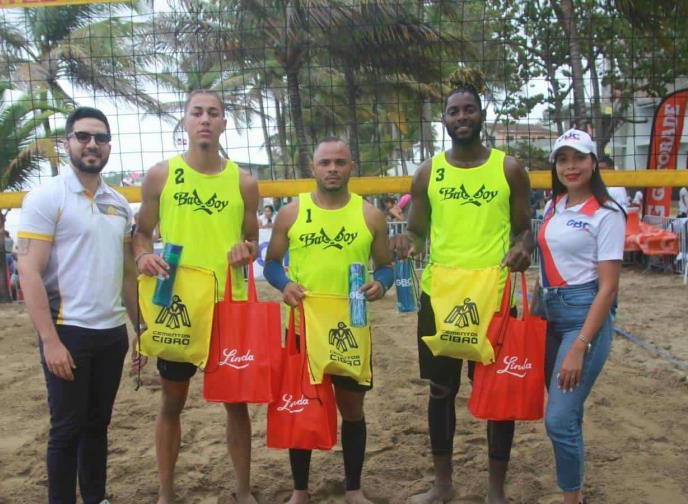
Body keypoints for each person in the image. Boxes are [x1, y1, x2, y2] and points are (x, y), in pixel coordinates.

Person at [391, 71, 533, 504]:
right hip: (441, 292)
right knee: (440, 390)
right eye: (453, 111)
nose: (462, 116)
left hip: (493, 292)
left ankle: (495, 491)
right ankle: (443, 485)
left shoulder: (508, 168)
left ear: (482, 114)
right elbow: (416, 233)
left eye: (468, 108)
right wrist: (405, 244)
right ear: (444, 120)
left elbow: (525, 232)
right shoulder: (427, 172)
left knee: (497, 392)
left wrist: (524, 249)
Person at [131, 90, 259, 504]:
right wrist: (143, 256)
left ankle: (243, 490)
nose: (205, 119)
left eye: (214, 113)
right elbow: (142, 232)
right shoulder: (161, 176)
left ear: (224, 124)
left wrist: (247, 250)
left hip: (227, 304)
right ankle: (166, 492)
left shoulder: (243, 181)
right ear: (184, 122)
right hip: (179, 305)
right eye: (197, 113)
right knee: (173, 401)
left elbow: (252, 239)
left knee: (236, 404)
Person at [17, 106, 138, 504]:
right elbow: (29, 272)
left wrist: (140, 330)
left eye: (100, 138)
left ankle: (96, 498)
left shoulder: (119, 203)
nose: (92, 145)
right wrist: (49, 341)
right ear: (67, 142)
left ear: (108, 147)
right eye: (83, 136)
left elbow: (125, 274)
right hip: (67, 331)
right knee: (66, 428)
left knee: (97, 425)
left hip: (111, 333)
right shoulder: (47, 197)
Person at [264, 137, 393, 504]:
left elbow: (384, 268)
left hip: (351, 328)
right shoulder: (291, 213)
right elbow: (271, 264)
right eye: (325, 163)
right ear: (313, 168)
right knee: (302, 404)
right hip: (305, 328)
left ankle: (353, 488)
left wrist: (380, 285)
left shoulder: (370, 215)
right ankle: (300, 491)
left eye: (340, 162)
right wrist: (285, 283)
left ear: (352, 166)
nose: (332, 168)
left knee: (352, 409)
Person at [538, 129, 625, 504]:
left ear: (593, 162)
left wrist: (580, 345)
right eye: (562, 159)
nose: (570, 166)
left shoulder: (607, 214)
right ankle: (576, 490)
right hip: (550, 314)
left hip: (582, 315)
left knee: (557, 419)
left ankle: (571, 499)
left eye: (578, 158)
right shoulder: (553, 207)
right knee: (568, 414)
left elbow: (608, 288)